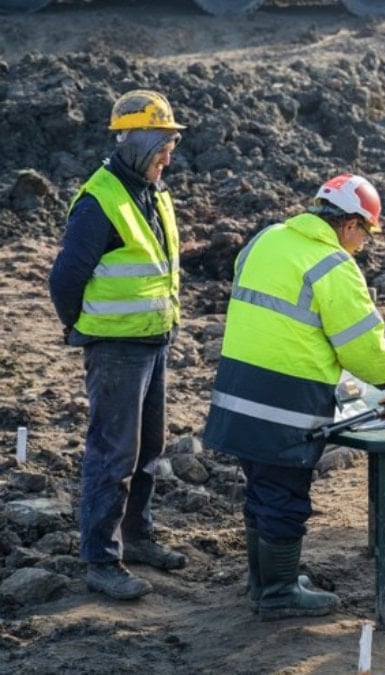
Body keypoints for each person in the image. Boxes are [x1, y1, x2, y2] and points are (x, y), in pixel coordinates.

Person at [202, 173, 385, 621]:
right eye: (366, 233)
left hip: (236, 393)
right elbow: (362, 346)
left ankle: (263, 582)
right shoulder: (332, 264)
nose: (363, 244)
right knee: (285, 496)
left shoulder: (267, 239)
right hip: (284, 403)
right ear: (350, 225)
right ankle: (280, 592)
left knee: (262, 490)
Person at [49, 90, 189, 600]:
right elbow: (65, 280)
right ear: (135, 143)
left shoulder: (152, 192)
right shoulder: (99, 201)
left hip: (153, 343)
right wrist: (81, 327)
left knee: (148, 448)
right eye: (162, 146)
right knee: (113, 454)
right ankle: (101, 561)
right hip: (116, 350)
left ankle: (138, 536)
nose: (168, 157)